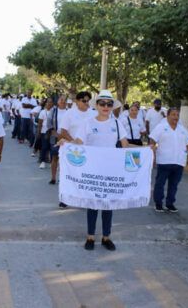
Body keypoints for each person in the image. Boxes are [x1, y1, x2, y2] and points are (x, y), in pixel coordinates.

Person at [74, 90, 131, 251]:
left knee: (108, 204)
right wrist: (67, 143)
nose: (106, 107)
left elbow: (125, 145)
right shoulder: (88, 123)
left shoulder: (117, 124)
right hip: (92, 169)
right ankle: (90, 237)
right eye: (102, 103)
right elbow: (79, 141)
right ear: (97, 106)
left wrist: (146, 149)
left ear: (112, 107)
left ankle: (106, 237)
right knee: (92, 204)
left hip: (111, 170)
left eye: (109, 104)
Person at [149, 107, 188, 213]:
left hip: (179, 162)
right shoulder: (161, 127)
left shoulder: (182, 129)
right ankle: (158, 203)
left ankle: (170, 203)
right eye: (173, 114)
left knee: (174, 185)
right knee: (160, 184)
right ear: (168, 116)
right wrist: (152, 155)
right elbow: (152, 141)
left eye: (177, 115)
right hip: (164, 161)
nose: (175, 117)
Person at [48, 95, 68, 188]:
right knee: (55, 157)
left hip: (67, 138)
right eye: (61, 100)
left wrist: (65, 136)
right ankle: (53, 178)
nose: (63, 101)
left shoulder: (70, 111)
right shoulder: (53, 111)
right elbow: (49, 124)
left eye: (64, 100)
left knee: (64, 159)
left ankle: (63, 178)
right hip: (55, 137)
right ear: (58, 101)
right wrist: (57, 135)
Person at [37, 97, 54, 169]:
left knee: (52, 148)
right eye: (48, 102)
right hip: (44, 132)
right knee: (44, 147)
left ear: (53, 103)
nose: (49, 103)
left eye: (51, 102)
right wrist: (39, 133)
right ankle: (42, 162)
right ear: (45, 103)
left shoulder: (54, 111)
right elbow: (40, 123)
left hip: (53, 133)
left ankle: (52, 162)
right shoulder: (42, 112)